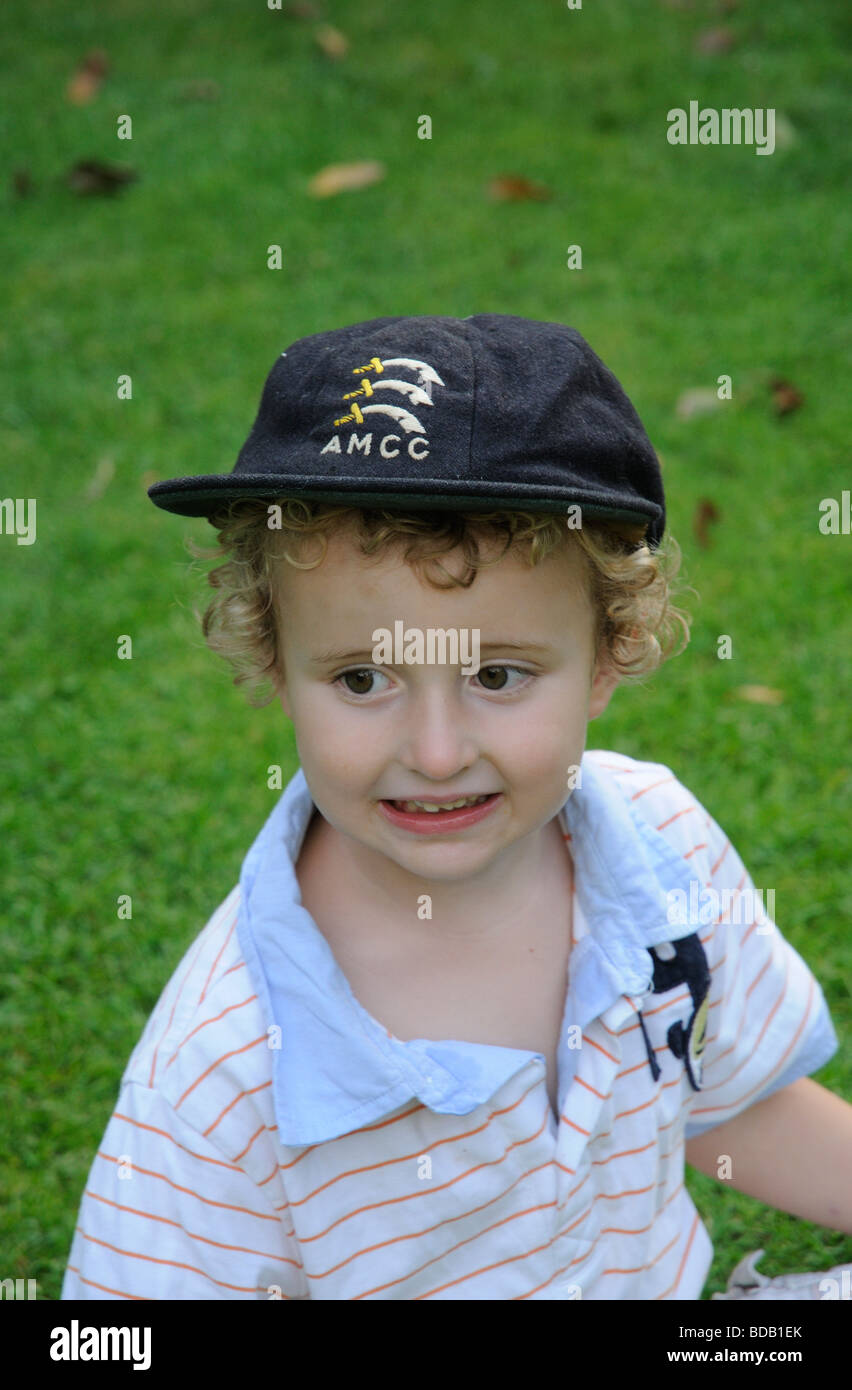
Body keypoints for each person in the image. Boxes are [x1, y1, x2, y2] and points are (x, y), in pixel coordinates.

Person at [61, 314, 850, 1300]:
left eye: (497, 673)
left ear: (608, 657)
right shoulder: (225, 1064)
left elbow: (732, 1111)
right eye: (361, 680)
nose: (435, 753)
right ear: (273, 660)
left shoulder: (658, 843)